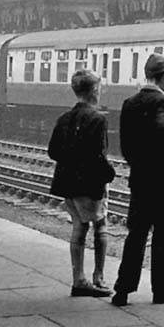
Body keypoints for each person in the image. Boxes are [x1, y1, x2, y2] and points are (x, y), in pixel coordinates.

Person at [111, 54, 164, 307]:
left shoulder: (129, 103)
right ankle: (161, 289)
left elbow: (125, 145)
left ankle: (123, 289)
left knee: (136, 235)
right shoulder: (162, 101)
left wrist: (138, 163)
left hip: (141, 179)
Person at [47, 69, 114, 298]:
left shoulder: (64, 118)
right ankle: (98, 278)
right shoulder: (98, 119)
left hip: (68, 183)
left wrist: (71, 161)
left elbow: (53, 151)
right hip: (90, 183)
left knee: (79, 227)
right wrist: (110, 173)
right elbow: (98, 155)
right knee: (100, 225)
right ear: (94, 91)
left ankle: (78, 279)